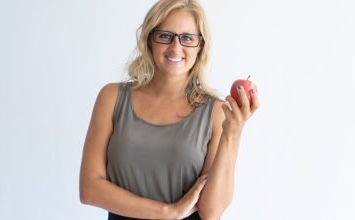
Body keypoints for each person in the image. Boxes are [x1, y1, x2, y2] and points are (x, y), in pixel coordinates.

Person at [79, 0, 259, 219]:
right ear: (149, 40)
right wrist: (169, 212)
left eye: (187, 38)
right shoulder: (112, 97)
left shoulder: (217, 112)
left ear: (200, 46)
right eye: (165, 36)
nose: (176, 47)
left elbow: (211, 212)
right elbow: (89, 189)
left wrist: (233, 132)